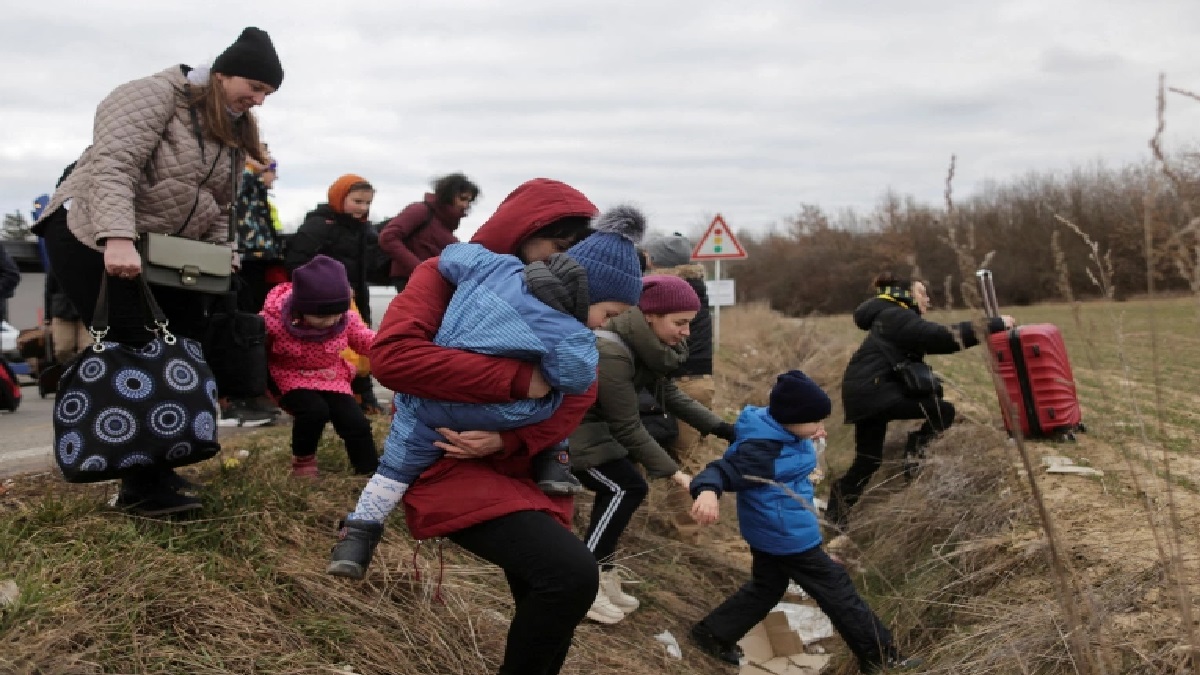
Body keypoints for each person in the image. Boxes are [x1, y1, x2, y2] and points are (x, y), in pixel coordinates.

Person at [357, 177, 608, 675]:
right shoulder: (443, 274)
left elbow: (581, 386)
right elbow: (394, 359)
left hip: (518, 458)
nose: (564, 261)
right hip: (442, 455)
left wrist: (511, 437)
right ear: (522, 231)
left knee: (553, 592)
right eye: (557, 245)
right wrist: (517, 379)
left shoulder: (560, 287)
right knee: (568, 576)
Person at [31, 26, 283, 516]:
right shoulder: (153, 95)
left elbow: (220, 204)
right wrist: (117, 238)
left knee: (181, 345)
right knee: (134, 349)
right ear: (224, 72)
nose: (258, 101)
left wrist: (221, 256)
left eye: (266, 94)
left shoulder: (230, 126)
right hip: (91, 233)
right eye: (254, 88)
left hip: (166, 249)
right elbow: (113, 166)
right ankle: (139, 487)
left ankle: (162, 465)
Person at [328, 205, 645, 580]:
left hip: (427, 409)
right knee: (555, 396)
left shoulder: (497, 269)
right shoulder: (570, 334)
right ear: (587, 292)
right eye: (607, 313)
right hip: (494, 414)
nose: (605, 323)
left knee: (393, 470)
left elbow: (452, 256)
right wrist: (531, 382)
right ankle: (554, 455)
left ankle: (359, 533)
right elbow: (577, 383)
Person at [687, 371, 921, 674]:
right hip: (787, 537)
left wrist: (809, 438)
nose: (820, 428)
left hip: (770, 531)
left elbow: (788, 458)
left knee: (767, 587)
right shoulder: (763, 450)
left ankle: (713, 634)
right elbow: (721, 470)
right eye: (815, 421)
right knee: (838, 591)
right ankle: (880, 656)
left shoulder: (779, 431)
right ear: (791, 418)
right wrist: (707, 491)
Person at [568, 274, 736, 624]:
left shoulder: (642, 345)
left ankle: (603, 571)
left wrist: (720, 428)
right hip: (571, 434)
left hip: (596, 432)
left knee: (628, 488)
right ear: (650, 315)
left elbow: (669, 394)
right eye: (680, 323)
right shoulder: (611, 351)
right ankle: (583, 585)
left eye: (690, 323)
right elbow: (627, 425)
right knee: (621, 488)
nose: (687, 332)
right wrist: (678, 475)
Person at [826, 274, 1013, 529]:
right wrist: (992, 324)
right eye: (922, 292)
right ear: (904, 294)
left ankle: (836, 517)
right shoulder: (896, 316)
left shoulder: (889, 315)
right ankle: (916, 461)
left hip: (866, 393)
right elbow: (941, 337)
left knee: (868, 460)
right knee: (942, 409)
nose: (927, 300)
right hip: (874, 392)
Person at [260, 255, 378, 477]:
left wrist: (386, 347)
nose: (330, 321)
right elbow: (257, 348)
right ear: (300, 307)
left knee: (355, 421)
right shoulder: (274, 320)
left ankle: (368, 467)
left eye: (336, 315)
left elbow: (363, 338)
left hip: (331, 376)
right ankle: (304, 461)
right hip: (289, 376)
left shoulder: (346, 319)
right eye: (321, 317)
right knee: (314, 412)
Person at [285, 174, 384, 414]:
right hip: (328, 299)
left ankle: (364, 397)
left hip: (357, 295)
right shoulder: (319, 225)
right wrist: (325, 288)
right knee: (332, 347)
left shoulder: (363, 229)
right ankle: (328, 395)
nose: (363, 208)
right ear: (340, 198)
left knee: (362, 343)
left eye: (367, 203)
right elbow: (296, 261)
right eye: (357, 201)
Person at [643, 232, 715, 540]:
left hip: (680, 384)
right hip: (697, 383)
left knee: (680, 459)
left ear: (656, 262)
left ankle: (686, 533)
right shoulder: (697, 286)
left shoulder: (670, 293)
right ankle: (686, 531)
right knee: (687, 457)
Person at [378, 172, 480, 291]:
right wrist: (419, 267)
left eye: (469, 201)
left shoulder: (446, 223)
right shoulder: (420, 210)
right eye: (462, 198)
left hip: (433, 282)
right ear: (448, 194)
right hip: (411, 279)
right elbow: (388, 237)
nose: (465, 205)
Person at [234, 150, 284, 313]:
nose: (275, 176)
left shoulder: (258, 190)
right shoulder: (245, 179)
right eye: (272, 169)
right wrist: (249, 163)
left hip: (261, 256)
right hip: (248, 254)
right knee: (248, 303)